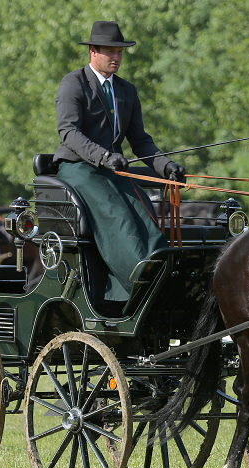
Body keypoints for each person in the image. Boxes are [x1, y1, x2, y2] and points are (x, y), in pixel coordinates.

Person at [53, 20, 186, 302]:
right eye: (110, 51)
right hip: (78, 169)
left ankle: (160, 270)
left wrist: (166, 166)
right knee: (116, 214)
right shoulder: (73, 83)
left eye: (120, 52)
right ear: (93, 51)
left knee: (143, 211)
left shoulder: (127, 90)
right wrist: (102, 156)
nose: (116, 57)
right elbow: (69, 133)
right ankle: (139, 280)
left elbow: (140, 141)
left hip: (112, 170)